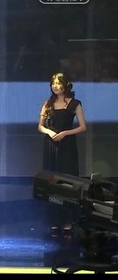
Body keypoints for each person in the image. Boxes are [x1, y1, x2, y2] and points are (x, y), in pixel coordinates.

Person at [38, 72, 87, 235]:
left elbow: (83, 127)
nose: (55, 86)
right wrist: (49, 132)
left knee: (66, 181)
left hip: (67, 146)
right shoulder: (48, 103)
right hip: (51, 145)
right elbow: (40, 126)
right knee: (51, 181)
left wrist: (66, 133)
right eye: (53, 83)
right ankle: (53, 220)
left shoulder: (75, 104)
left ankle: (67, 220)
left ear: (66, 85)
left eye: (58, 83)